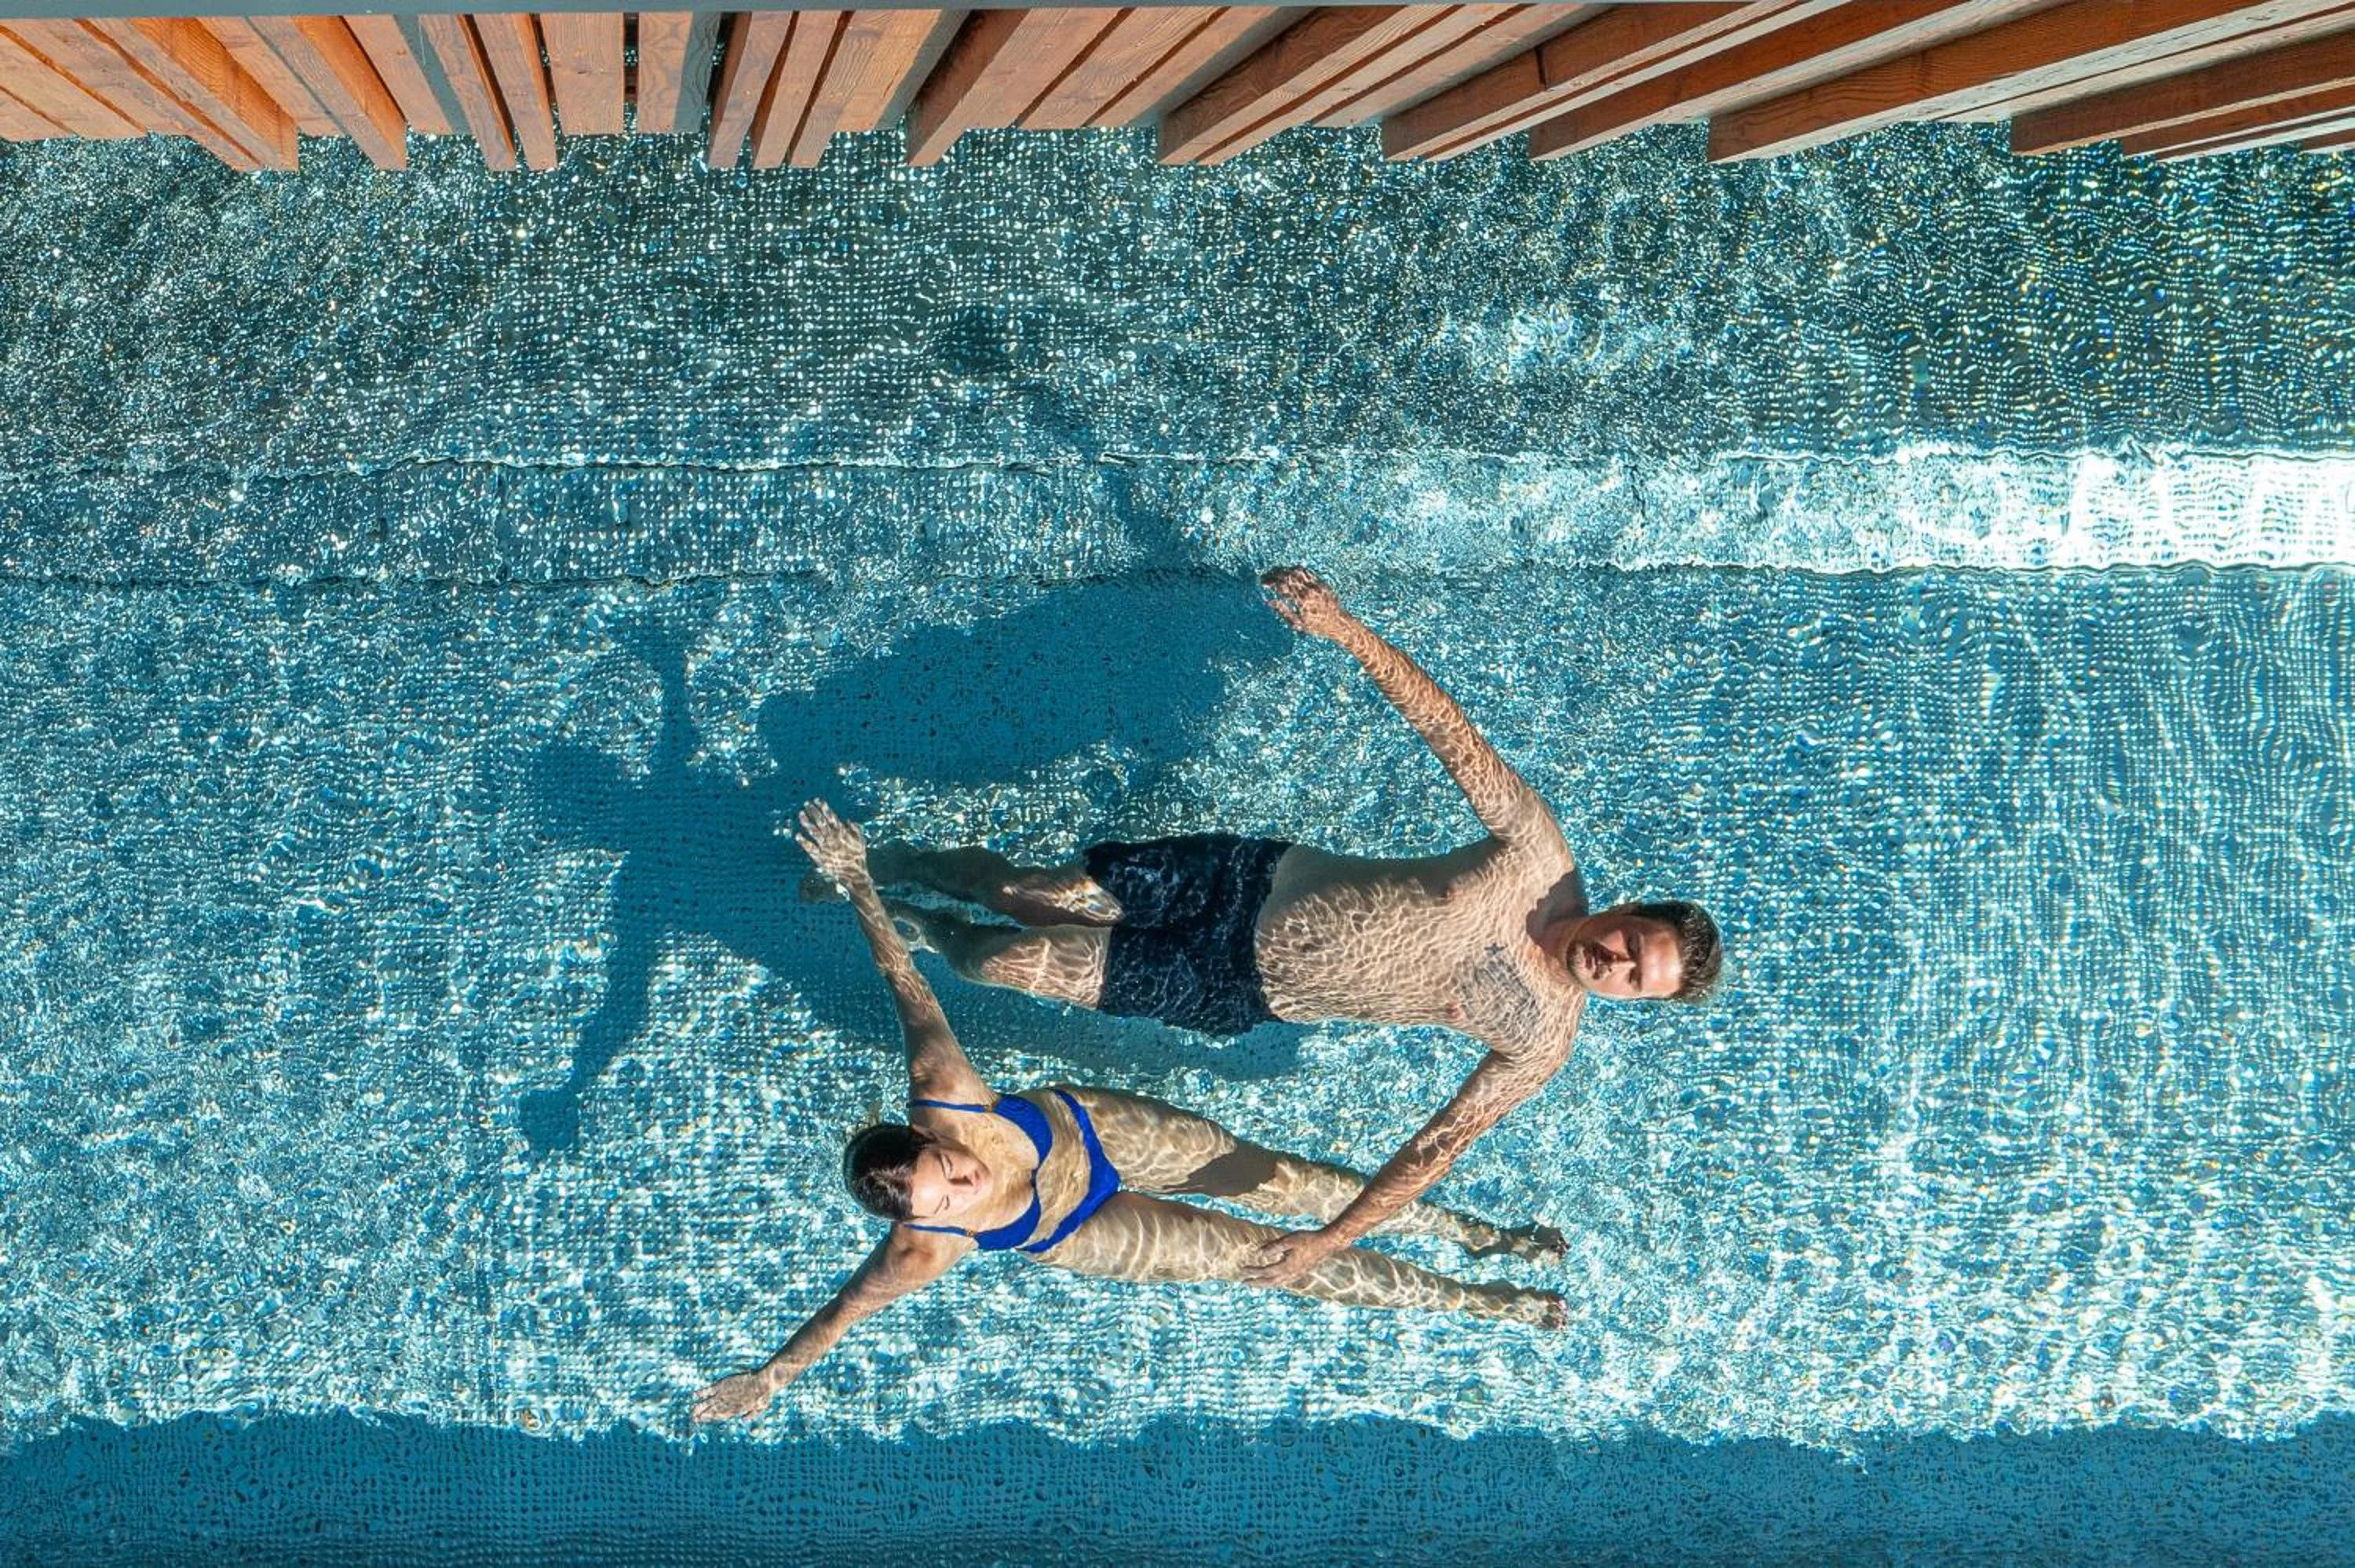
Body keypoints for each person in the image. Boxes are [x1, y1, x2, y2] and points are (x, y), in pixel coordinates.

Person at [830, 567, 1723, 1289]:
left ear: (1634, 1000)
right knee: (1034, 894)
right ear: (1626, 909)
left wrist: (1327, 1242)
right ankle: (910, 863)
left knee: (1001, 962)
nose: (1613, 964)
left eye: (1634, 981)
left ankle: (927, 926)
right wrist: (1348, 632)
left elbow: (1437, 1145)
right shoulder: (1536, 855)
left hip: (1235, 989)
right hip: (1241, 880)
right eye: (1632, 944)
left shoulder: (1540, 1037)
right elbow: (1452, 735)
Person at [692, 802, 1565, 1424]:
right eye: (948, 1198)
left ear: (930, 1134)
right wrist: (771, 1378)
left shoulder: (946, 1091)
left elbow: (902, 986)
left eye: (948, 1167)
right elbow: (842, 1313)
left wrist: (860, 884)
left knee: (1290, 1183)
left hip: (1094, 1129)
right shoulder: (925, 1246)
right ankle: (1483, 1298)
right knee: (1265, 1259)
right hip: (1079, 1224)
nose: (965, 1183)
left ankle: (1464, 1226)